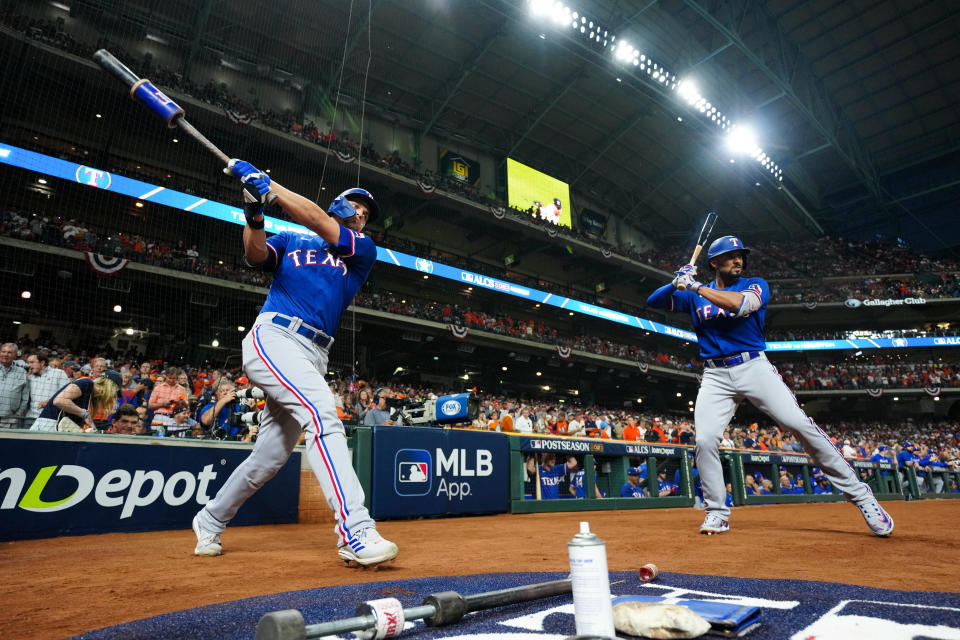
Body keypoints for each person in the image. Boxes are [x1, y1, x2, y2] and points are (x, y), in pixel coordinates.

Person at [191, 159, 398, 567]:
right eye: (356, 205)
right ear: (340, 202)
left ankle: (210, 517)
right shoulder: (289, 239)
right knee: (323, 416)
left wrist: (271, 185)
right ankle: (355, 531)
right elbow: (255, 255)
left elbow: (320, 221)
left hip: (315, 353)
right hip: (276, 336)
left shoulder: (362, 250)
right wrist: (254, 213)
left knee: (269, 457)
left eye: (366, 213)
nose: (361, 213)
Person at [646, 235, 894, 536]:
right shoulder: (693, 294)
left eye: (740, 255)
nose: (738, 260)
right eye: (730, 256)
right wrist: (676, 282)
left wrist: (696, 286)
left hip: (753, 367)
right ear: (714, 263)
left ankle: (861, 496)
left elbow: (740, 306)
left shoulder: (756, 284)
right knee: (705, 440)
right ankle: (717, 512)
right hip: (715, 375)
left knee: (798, 424)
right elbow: (653, 302)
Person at [29, 370, 121, 432]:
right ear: (110, 387)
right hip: (49, 426)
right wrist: (84, 414)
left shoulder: (90, 393)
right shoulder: (86, 383)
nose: (114, 396)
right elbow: (59, 401)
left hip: (55, 428)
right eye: (115, 392)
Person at [25, 353, 69, 421]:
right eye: (28, 363)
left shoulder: (59, 373)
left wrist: (50, 401)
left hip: (51, 418)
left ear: (42, 363)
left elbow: (67, 393)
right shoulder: (29, 378)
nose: (29, 365)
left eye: (32, 362)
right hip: (30, 418)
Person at [0, 342, 30, 427]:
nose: (5, 355)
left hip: (10, 418)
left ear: (15, 355)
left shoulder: (22, 372)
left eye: (9, 352)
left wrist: (18, 413)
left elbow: (25, 396)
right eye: (3, 352)